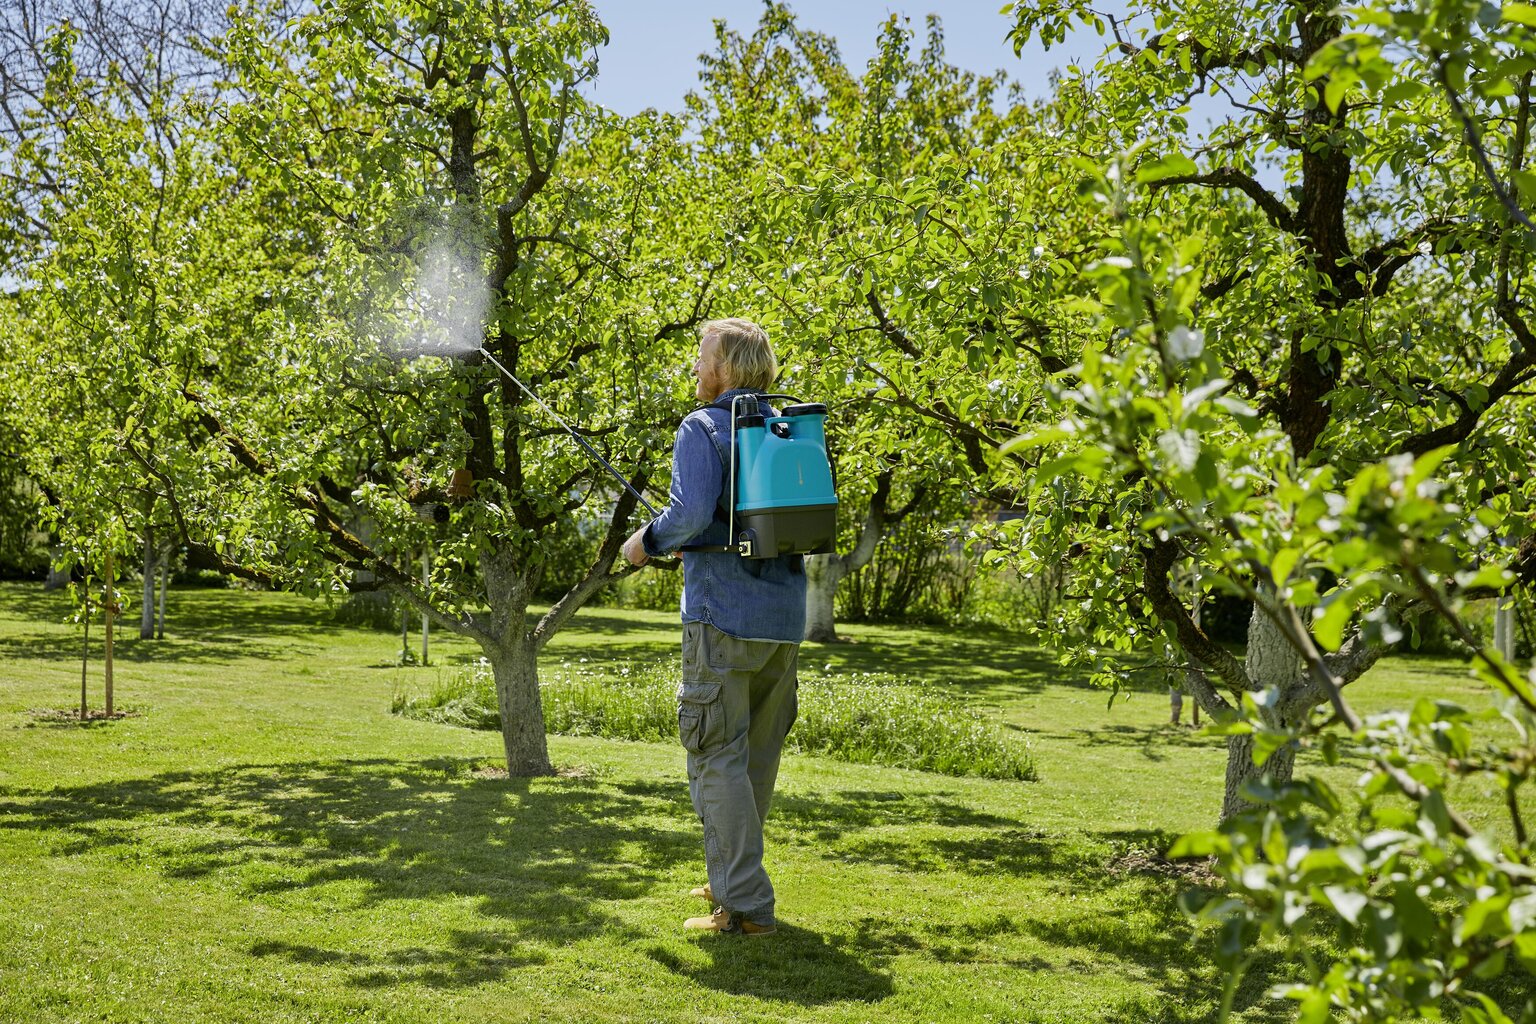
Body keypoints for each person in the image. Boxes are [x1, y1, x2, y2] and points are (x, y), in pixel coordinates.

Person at [622, 317, 805, 937]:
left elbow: (692, 511)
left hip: (721, 616)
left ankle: (746, 906)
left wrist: (646, 542)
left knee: (714, 754)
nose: (696, 370)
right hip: (782, 621)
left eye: (702, 358)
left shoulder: (702, 428)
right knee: (754, 756)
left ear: (725, 368)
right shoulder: (787, 429)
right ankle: (731, 877)